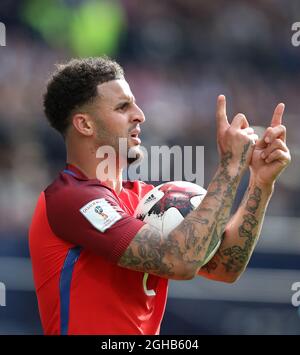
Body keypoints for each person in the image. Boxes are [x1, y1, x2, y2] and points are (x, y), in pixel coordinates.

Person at [29, 57, 291, 335]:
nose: (140, 114)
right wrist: (230, 166)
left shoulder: (147, 198)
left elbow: (223, 267)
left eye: (135, 103)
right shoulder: (69, 198)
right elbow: (179, 261)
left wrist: (260, 183)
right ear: (85, 125)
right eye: (122, 107)